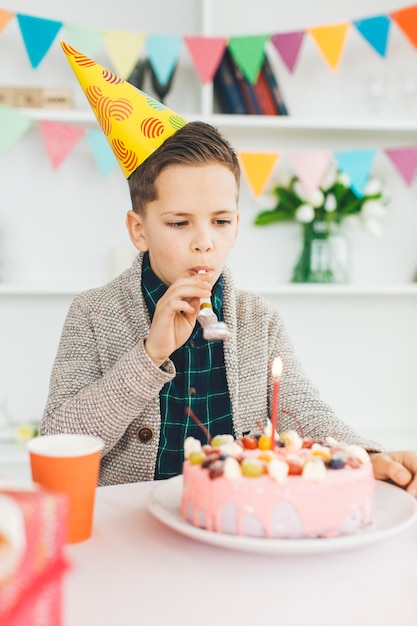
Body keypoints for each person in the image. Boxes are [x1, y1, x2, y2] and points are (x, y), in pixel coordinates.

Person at [41, 45, 417, 494]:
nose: (205, 240)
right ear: (138, 230)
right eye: (179, 223)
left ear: (236, 226)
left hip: (228, 524)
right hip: (130, 531)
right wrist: (148, 355)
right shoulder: (92, 314)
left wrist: (366, 456)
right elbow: (58, 441)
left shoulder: (259, 320)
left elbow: (303, 411)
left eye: (220, 221)